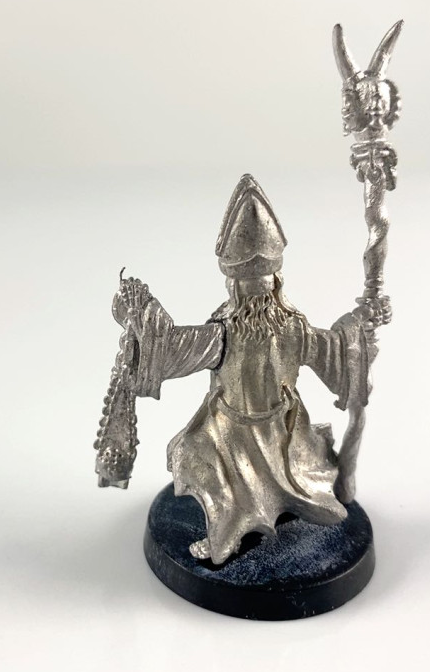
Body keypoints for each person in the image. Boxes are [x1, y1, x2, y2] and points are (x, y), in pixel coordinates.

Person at [112, 174, 386, 564]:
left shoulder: (256, 329)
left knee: (194, 456)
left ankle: (224, 539)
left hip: (272, 434)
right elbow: (174, 349)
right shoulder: (260, 328)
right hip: (240, 429)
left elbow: (335, 350)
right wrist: (357, 338)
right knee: (190, 456)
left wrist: (360, 333)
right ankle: (228, 529)